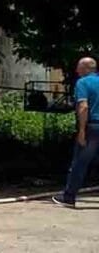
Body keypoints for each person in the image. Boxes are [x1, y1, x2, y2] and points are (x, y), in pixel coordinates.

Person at [53, 56, 99, 208]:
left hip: (92, 127)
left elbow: (83, 106)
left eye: (79, 67)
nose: (76, 71)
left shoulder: (83, 83)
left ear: (86, 69)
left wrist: (81, 130)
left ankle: (69, 196)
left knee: (80, 162)